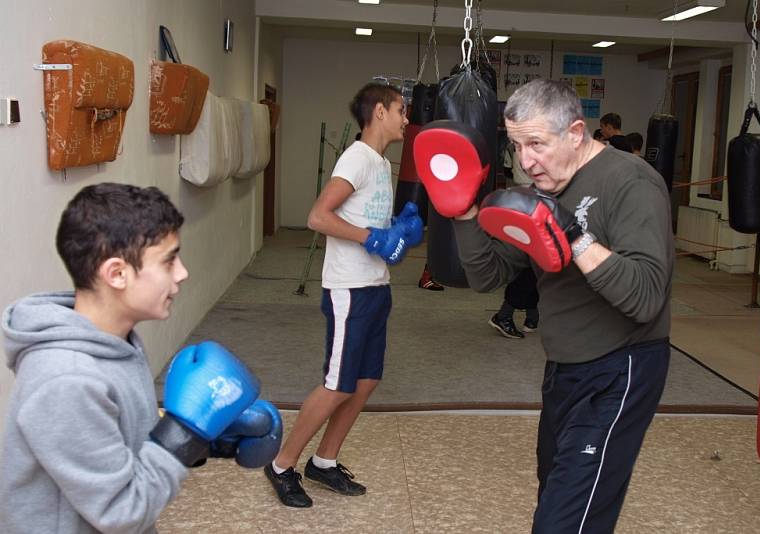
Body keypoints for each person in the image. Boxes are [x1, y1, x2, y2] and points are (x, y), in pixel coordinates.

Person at [432, 80, 672, 532]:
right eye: (517, 145)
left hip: (620, 368)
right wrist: (462, 214)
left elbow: (645, 297)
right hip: (563, 367)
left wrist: (575, 237)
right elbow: (488, 276)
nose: (524, 161)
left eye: (536, 144)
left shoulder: (631, 182)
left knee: (564, 522)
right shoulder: (544, 187)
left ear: (576, 133)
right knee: (557, 498)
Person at [0, 183, 279, 533]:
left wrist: (208, 439)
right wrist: (183, 433)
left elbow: (117, 444)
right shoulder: (66, 379)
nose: (182, 273)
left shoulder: (116, 343)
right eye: (168, 260)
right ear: (117, 273)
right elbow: (122, 511)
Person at [265, 82, 421, 508]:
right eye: (401, 110)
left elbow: (373, 231)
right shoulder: (356, 158)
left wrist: (398, 237)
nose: (407, 118)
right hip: (349, 289)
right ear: (379, 112)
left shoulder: (380, 163)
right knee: (337, 385)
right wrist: (373, 238)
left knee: (365, 382)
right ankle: (281, 464)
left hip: (375, 287)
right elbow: (318, 216)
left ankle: (325, 461)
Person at [488, 143, 540, 339]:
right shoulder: (527, 147)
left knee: (535, 266)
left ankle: (532, 315)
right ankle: (505, 314)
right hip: (529, 206)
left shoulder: (521, 146)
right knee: (531, 266)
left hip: (528, 203)